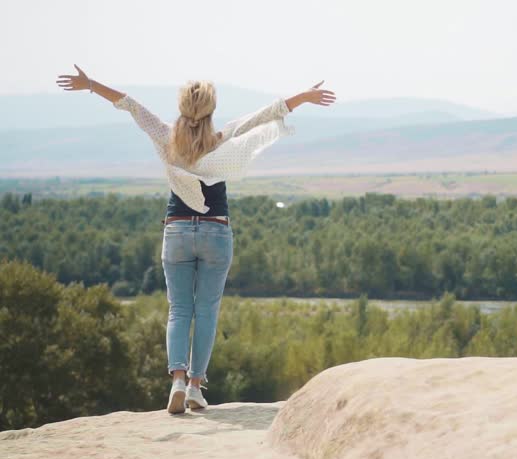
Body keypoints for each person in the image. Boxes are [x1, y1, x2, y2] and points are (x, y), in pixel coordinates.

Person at [55, 64, 335, 414]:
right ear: (210, 111)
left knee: (179, 309)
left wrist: (90, 84)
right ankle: (195, 388)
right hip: (216, 231)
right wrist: (305, 97)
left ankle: (175, 379)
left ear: (183, 108)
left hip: (176, 231)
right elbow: (269, 114)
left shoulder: (165, 136)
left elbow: (131, 105)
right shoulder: (224, 138)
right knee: (206, 311)